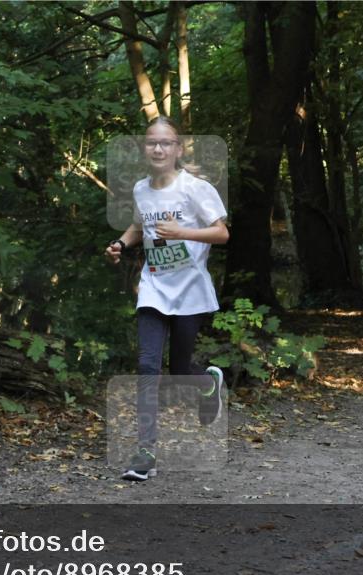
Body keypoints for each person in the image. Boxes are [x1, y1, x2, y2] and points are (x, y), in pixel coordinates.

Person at [104, 116, 230, 481]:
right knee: (147, 366)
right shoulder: (142, 189)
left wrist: (182, 231)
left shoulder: (195, 188)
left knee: (178, 373)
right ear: (145, 149)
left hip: (189, 291)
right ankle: (145, 453)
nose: (157, 149)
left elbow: (222, 234)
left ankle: (207, 382)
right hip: (154, 288)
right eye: (151, 143)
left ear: (178, 149)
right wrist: (120, 244)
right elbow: (139, 225)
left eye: (165, 143)